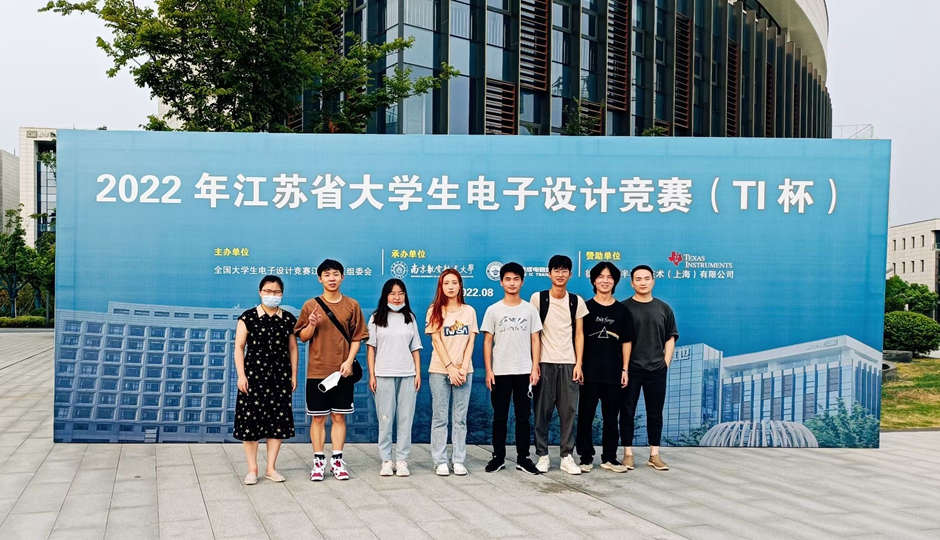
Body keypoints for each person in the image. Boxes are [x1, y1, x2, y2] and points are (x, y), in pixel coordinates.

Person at [295, 259, 368, 481]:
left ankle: (337, 461)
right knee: (318, 418)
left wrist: (349, 361)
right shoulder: (310, 305)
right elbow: (302, 337)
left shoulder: (352, 305)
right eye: (327, 275)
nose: (332, 278)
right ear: (320, 279)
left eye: (335, 274)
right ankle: (318, 463)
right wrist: (311, 324)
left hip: (342, 372)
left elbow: (357, 337)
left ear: (342, 277)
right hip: (317, 371)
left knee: (338, 417)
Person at [234, 275, 298, 485]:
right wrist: (241, 375)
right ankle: (252, 469)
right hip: (253, 377)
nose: (272, 295)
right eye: (268, 291)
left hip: (280, 377)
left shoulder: (287, 319)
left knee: (276, 423)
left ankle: (271, 468)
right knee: (250, 424)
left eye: (276, 292)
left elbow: (293, 348)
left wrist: (294, 374)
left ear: (282, 294)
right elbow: (239, 348)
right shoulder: (248, 317)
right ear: (260, 292)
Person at [529, 255, 588, 475]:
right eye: (556, 270)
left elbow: (579, 335)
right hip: (544, 362)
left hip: (568, 363)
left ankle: (566, 457)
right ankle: (542, 455)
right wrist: (534, 365)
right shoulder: (538, 298)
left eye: (564, 271)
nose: (560, 274)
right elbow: (534, 334)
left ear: (570, 274)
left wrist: (578, 363)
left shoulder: (576, 301)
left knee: (568, 412)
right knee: (541, 412)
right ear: (549, 273)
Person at [482, 262, 542, 475]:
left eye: (516, 279)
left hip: (524, 371)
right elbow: (487, 341)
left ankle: (523, 458)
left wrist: (535, 368)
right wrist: (489, 370)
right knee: (499, 417)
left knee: (523, 417)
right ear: (501, 282)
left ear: (522, 282)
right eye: (507, 279)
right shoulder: (493, 310)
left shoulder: (530, 309)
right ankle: (498, 457)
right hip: (500, 372)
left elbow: (536, 340)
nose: (512, 283)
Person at [576, 262, 632, 473]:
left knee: (611, 418)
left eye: (609, 277)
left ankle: (609, 458)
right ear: (593, 280)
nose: (605, 281)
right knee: (585, 417)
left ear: (615, 281)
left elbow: (627, 341)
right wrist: (579, 365)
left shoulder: (623, 311)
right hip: (589, 372)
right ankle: (585, 458)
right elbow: (578, 338)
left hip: (613, 373)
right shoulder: (585, 308)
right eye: (600, 276)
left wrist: (625, 369)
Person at [621, 264, 678, 471]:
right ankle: (628, 453)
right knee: (627, 412)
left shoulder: (664, 308)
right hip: (632, 369)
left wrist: (666, 362)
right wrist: (624, 368)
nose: (643, 283)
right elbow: (621, 340)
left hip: (657, 369)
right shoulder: (624, 308)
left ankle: (654, 454)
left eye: (647, 278)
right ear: (632, 283)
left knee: (655, 413)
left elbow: (670, 337)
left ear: (653, 281)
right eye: (638, 279)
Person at [367, 279, 423, 477]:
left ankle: (401, 460)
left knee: (405, 419)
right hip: (383, 374)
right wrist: (372, 374)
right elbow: (371, 348)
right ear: (385, 296)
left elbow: (415, 348)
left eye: (401, 293)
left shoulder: (410, 318)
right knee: (385, 418)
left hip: (407, 374)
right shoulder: (376, 318)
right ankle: (386, 460)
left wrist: (417, 373)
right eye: (392, 293)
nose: (397, 297)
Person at [425, 269, 478, 477]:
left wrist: (462, 368)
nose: (450, 286)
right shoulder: (434, 310)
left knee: (460, 418)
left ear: (460, 285)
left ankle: (458, 460)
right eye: (446, 283)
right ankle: (440, 461)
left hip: (464, 372)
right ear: (441, 286)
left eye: (454, 282)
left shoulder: (469, 311)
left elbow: (471, 341)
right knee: (440, 417)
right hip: (440, 370)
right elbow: (436, 340)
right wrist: (450, 368)